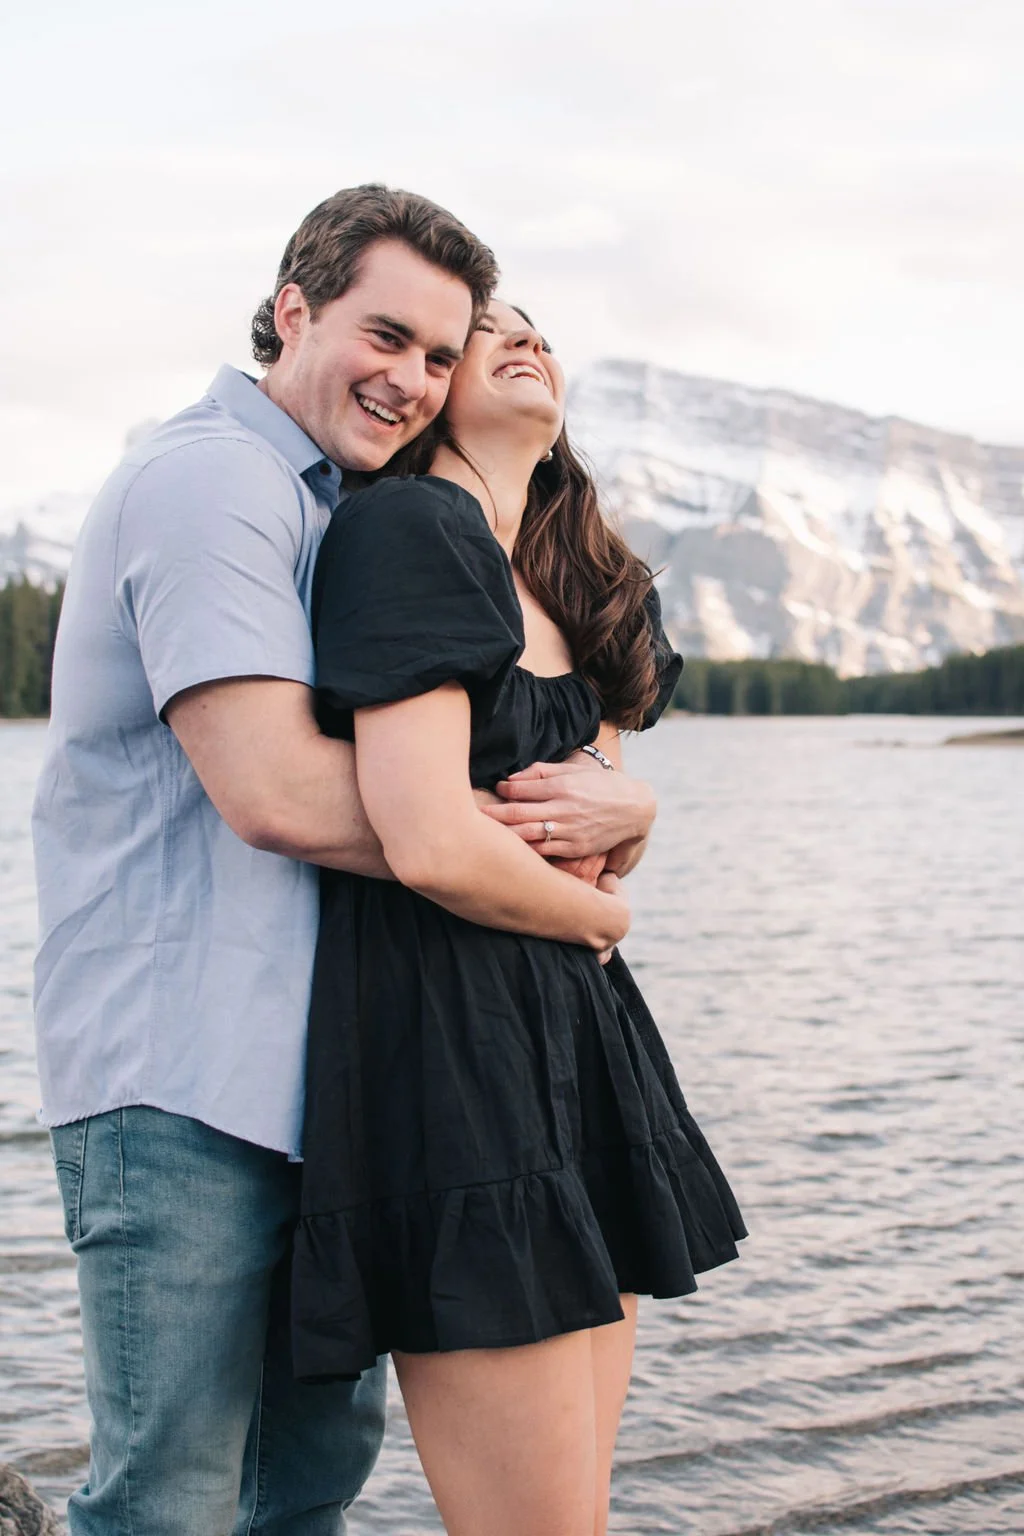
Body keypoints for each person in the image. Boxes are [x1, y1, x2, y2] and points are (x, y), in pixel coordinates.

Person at [33, 185, 657, 1534]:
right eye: (387, 337)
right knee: (171, 1501)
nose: (413, 381)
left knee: (305, 1486)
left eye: (440, 355)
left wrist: (615, 804)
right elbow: (277, 792)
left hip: (328, 1090)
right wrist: (558, 877)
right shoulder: (214, 478)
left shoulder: (339, 501)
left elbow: (469, 744)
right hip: (182, 1081)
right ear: (291, 309)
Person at [292, 300, 747, 1536]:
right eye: (482, 330)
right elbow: (430, 844)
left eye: (539, 328)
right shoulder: (408, 525)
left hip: (580, 1041)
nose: (523, 339)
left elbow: (589, 813)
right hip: (452, 1044)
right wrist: (610, 919)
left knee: (575, 1513)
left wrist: (631, 808)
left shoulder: (585, 568)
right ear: (434, 386)